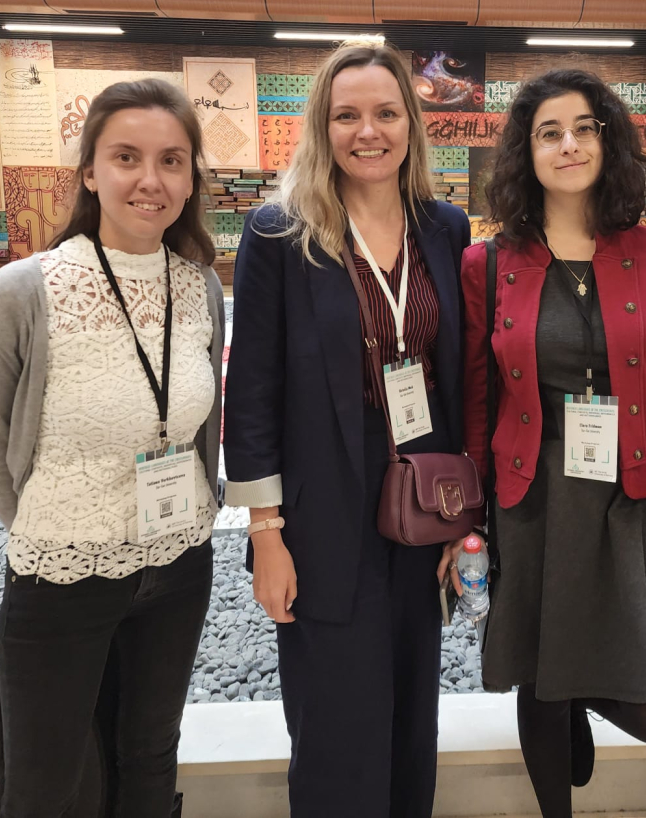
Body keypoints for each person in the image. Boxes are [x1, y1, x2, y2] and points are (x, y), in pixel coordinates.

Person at [0, 79, 225, 818]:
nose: (150, 180)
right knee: (45, 776)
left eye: (171, 160)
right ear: (89, 171)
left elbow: (200, 427)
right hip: (63, 571)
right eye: (126, 157)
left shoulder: (199, 288)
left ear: (191, 178)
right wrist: (46, 521)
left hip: (178, 563)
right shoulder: (24, 291)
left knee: (150, 753)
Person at [222, 42, 471, 817]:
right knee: (336, 720)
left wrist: (462, 522)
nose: (369, 131)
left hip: (419, 489)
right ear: (322, 127)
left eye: (387, 113)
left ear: (411, 125)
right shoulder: (280, 234)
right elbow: (250, 392)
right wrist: (266, 532)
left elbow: (460, 376)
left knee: (410, 710)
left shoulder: (445, 227)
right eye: (348, 115)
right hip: (322, 506)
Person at [458, 68, 646, 818]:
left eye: (583, 129)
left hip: (635, 490)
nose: (568, 145)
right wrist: (472, 519)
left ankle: (568, 694)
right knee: (541, 671)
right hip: (533, 493)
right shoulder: (489, 263)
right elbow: (478, 398)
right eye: (548, 133)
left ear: (607, 141)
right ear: (525, 152)